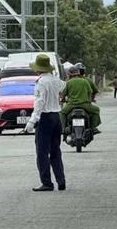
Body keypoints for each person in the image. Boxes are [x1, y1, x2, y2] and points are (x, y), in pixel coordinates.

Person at [26, 54, 66, 191]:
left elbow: (39, 102)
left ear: (38, 69)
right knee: (55, 150)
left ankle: (47, 182)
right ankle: (61, 180)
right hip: (56, 116)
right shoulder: (56, 80)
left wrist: (32, 121)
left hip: (45, 117)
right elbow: (63, 88)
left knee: (42, 152)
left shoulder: (41, 82)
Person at [60, 65, 102, 135]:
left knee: (62, 113)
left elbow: (64, 94)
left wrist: (63, 100)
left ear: (69, 74)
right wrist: (89, 100)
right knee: (96, 110)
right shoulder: (85, 81)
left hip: (71, 105)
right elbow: (90, 92)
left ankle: (63, 129)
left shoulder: (68, 82)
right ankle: (93, 127)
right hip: (85, 105)